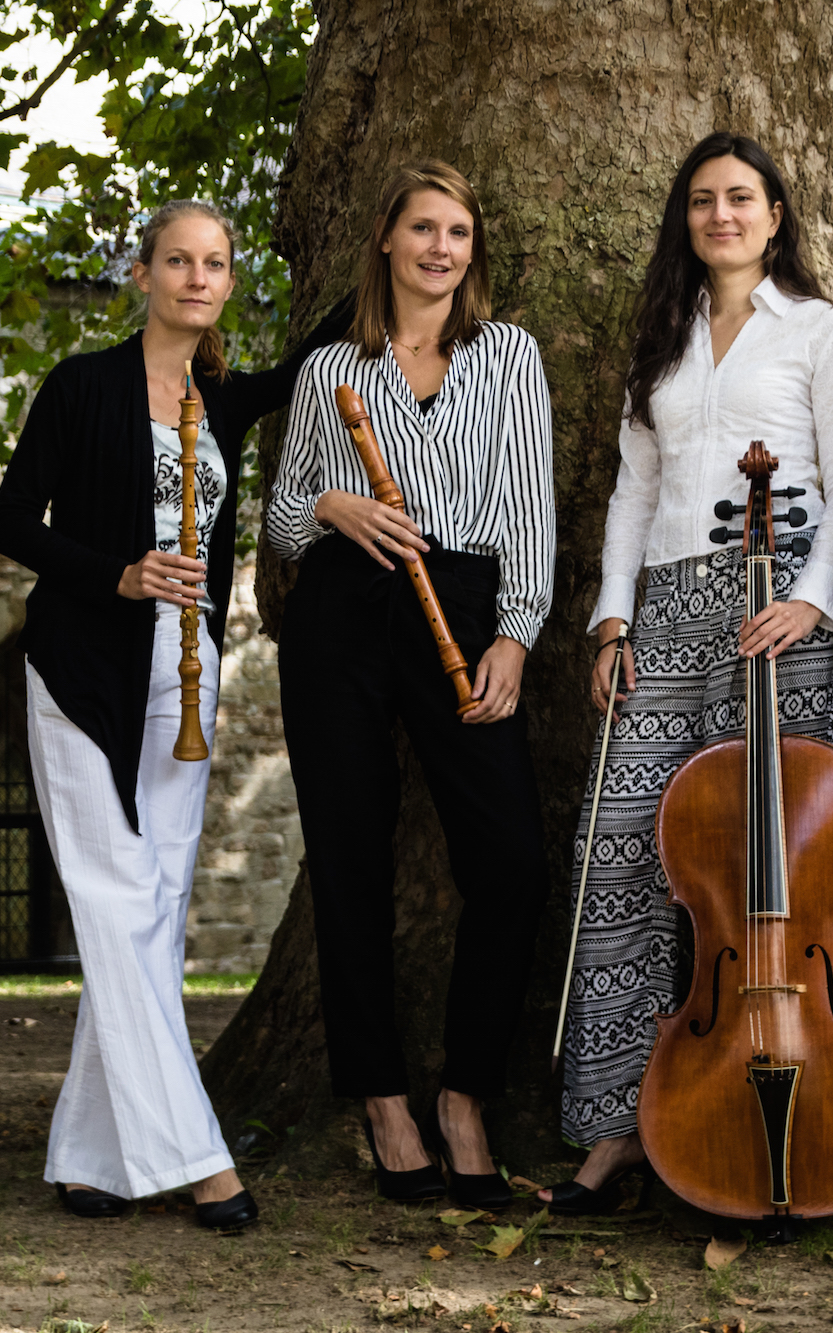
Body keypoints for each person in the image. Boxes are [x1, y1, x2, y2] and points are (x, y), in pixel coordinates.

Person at [0, 199, 349, 1229]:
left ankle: (90, 1154)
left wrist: (383, 253)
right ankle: (199, 1158)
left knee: (152, 908)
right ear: (142, 272)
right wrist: (120, 574)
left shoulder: (223, 398)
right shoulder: (83, 385)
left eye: (216, 264)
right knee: (113, 897)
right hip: (81, 664)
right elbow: (10, 521)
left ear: (229, 282)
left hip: (183, 672)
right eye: (178, 260)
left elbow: (313, 354)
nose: (197, 278)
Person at [540, 132, 833, 1215]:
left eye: (739, 198)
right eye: (700, 201)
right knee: (624, 851)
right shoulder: (662, 339)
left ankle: (767, 1108)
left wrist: (812, 600)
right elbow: (634, 493)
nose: (719, 215)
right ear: (685, 221)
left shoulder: (817, 331)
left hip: (780, 615)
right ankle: (624, 1124)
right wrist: (611, 619)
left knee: (769, 879)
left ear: (775, 214)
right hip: (665, 613)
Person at [266, 160, 556, 1213]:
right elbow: (283, 516)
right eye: (423, 228)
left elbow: (529, 509)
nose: (441, 248)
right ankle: (382, 1098)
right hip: (344, 608)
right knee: (348, 856)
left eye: (459, 233)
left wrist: (515, 633)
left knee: (512, 862)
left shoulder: (507, 356)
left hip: (462, 600)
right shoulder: (330, 368)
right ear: (385, 238)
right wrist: (336, 507)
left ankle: (465, 1094)